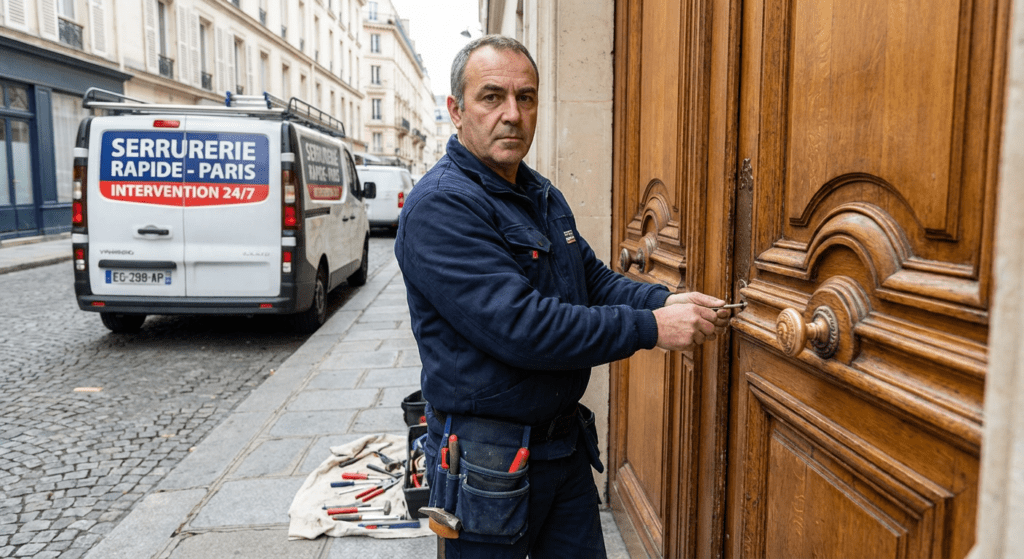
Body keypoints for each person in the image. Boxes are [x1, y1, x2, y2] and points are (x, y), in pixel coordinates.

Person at [394, 35, 732, 559]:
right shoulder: (441, 209)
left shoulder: (539, 192)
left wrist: (664, 302)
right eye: (492, 97)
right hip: (489, 461)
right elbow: (524, 328)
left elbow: (593, 280)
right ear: (456, 111)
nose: (512, 113)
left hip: (562, 448)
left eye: (525, 98)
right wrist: (652, 329)